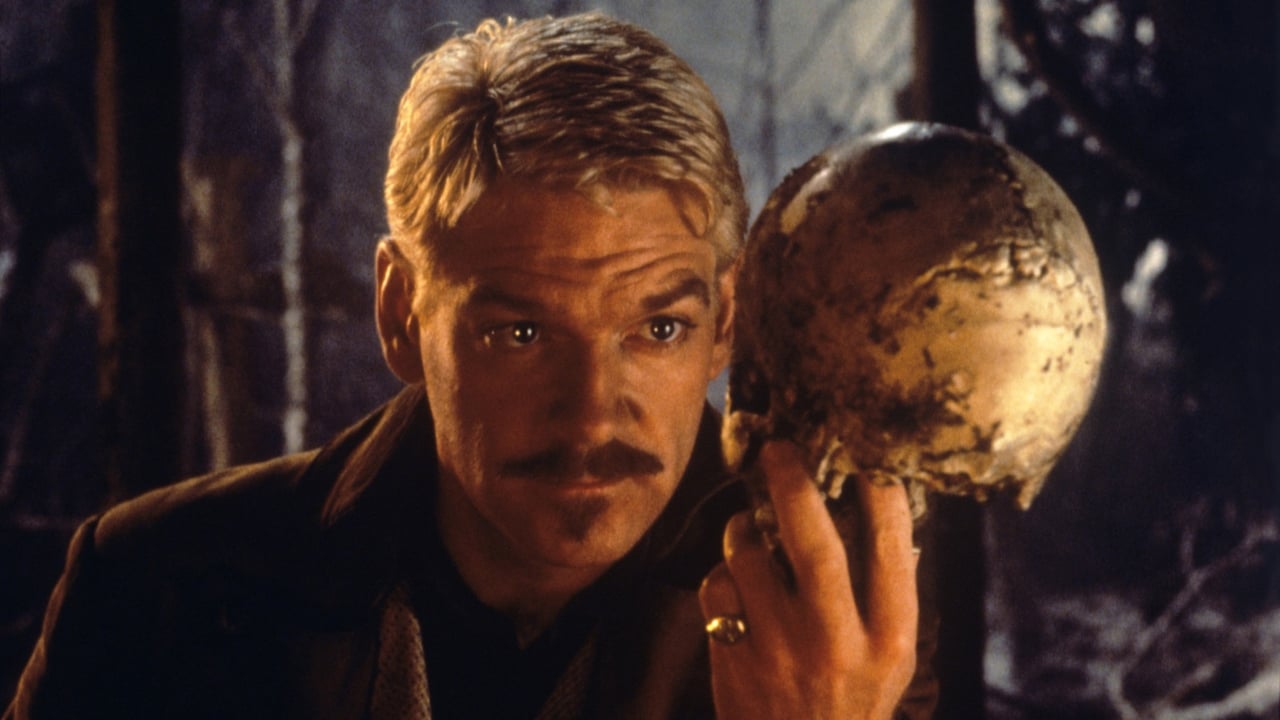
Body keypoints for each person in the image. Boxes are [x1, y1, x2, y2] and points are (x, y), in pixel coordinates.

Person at [6, 12, 933, 719]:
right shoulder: (152, 590)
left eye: (658, 329)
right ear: (400, 313)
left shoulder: (833, 631)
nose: (591, 414)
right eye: (521, 334)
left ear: (725, 321)